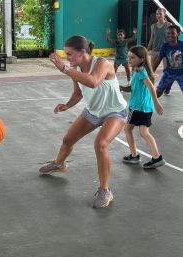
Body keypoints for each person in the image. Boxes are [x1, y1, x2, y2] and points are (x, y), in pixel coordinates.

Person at [39, 36, 128, 209]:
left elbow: (93, 82)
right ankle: (59, 164)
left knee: (101, 144)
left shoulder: (102, 63)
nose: (67, 58)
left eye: (70, 54)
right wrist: (66, 105)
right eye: (66, 55)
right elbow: (78, 93)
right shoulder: (75, 68)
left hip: (115, 111)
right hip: (94, 111)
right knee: (67, 140)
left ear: (82, 52)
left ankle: (105, 190)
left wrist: (64, 68)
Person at [123, 45, 165, 169]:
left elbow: (151, 87)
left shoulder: (140, 71)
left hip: (137, 107)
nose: (129, 60)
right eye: (128, 57)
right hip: (146, 107)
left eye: (132, 58)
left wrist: (157, 103)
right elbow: (134, 87)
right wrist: (120, 88)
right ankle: (157, 157)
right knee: (144, 132)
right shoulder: (138, 69)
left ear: (141, 59)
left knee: (127, 129)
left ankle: (134, 155)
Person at [152, 25, 183, 97]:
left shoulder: (182, 45)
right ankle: (149, 106)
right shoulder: (165, 46)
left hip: (181, 73)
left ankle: (168, 89)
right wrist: (151, 71)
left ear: (178, 34)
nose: (170, 35)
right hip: (169, 72)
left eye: (172, 33)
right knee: (158, 92)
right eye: (168, 33)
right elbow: (158, 59)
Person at [147, 8, 171, 72]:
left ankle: (166, 82)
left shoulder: (169, 25)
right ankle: (151, 82)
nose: (158, 15)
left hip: (166, 50)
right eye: (157, 14)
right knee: (152, 70)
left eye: (160, 14)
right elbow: (151, 39)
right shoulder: (153, 26)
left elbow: (171, 38)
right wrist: (146, 50)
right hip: (155, 50)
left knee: (166, 71)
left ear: (164, 15)